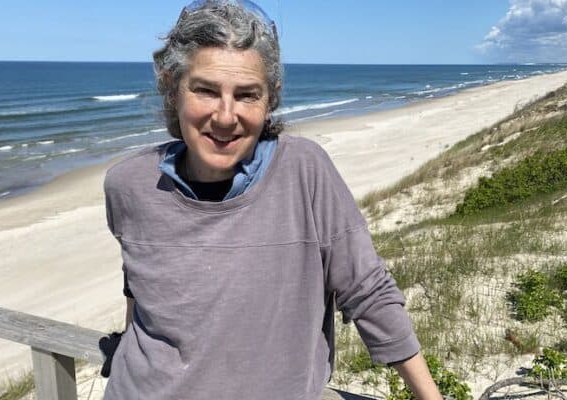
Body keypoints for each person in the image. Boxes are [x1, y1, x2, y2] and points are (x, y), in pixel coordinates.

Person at [102, 0, 442, 398]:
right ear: (173, 89)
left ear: (270, 101)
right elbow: (137, 280)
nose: (226, 116)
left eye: (247, 95)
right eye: (206, 90)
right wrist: (127, 343)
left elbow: (367, 290)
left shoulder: (303, 170)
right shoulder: (127, 183)